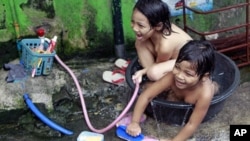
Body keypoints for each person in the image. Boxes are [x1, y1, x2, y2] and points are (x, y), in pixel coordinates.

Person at [126, 40, 219, 141]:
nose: (179, 76)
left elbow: (192, 124)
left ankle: (214, 86)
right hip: (181, 91)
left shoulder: (204, 94)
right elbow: (146, 95)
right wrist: (135, 122)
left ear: (204, 77)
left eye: (188, 74)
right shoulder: (172, 76)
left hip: (205, 89)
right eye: (177, 67)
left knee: (213, 88)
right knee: (147, 87)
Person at [131, 0, 193, 83]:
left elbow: (159, 64)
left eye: (140, 25)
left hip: (189, 62)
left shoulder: (165, 45)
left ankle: (166, 85)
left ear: (158, 26)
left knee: (154, 73)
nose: (134, 28)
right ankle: (151, 76)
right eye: (133, 22)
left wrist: (142, 71)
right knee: (140, 42)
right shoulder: (158, 27)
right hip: (170, 59)